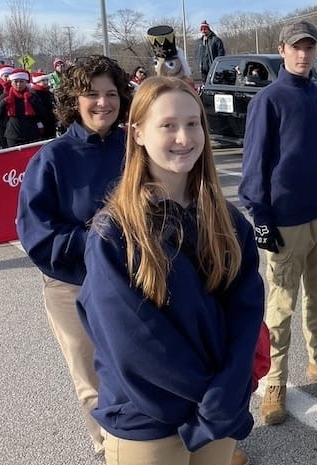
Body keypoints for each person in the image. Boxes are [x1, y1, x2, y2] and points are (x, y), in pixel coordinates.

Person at [75, 76, 264, 465]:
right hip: (148, 419)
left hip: (219, 412)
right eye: (168, 125)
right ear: (139, 133)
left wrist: (231, 388)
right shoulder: (114, 233)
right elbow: (134, 341)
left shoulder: (227, 221)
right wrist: (211, 397)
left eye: (193, 123)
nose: (184, 137)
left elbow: (246, 310)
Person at [239, 19, 317, 428]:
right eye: (297, 47)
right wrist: (260, 216)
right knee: (281, 306)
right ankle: (274, 384)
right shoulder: (269, 100)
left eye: (310, 47)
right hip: (286, 220)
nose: (303, 54)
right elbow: (254, 162)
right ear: (282, 50)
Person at [17, 55, 132, 457]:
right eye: (92, 94)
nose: (103, 103)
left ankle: (164, 441)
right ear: (73, 100)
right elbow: (36, 236)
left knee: (140, 365)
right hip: (73, 285)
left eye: (111, 94)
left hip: (133, 279)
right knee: (92, 378)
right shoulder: (52, 158)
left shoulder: (135, 148)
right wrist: (101, 239)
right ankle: (111, 447)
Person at [0, 68, 47, 147]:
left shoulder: (32, 96)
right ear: (11, 82)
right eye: (16, 81)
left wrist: (34, 102)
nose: (18, 84)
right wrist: (3, 103)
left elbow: (43, 115)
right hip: (13, 135)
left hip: (32, 134)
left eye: (21, 81)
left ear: (25, 82)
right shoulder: (5, 96)